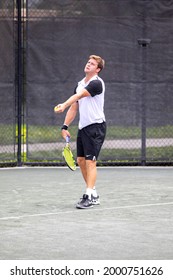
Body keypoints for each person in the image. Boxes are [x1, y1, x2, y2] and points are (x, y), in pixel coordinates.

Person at [54, 55, 106, 209]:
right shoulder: (79, 84)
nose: (88, 65)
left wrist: (63, 104)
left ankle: (89, 196)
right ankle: (94, 193)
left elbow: (79, 95)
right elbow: (75, 107)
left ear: (98, 69)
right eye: (88, 62)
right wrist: (65, 126)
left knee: (91, 161)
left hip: (96, 127)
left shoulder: (97, 83)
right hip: (83, 128)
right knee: (81, 161)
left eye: (92, 64)